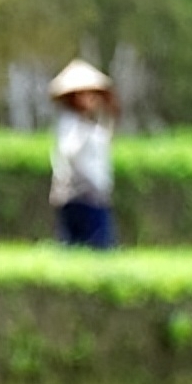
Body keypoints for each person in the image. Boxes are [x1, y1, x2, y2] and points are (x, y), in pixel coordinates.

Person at [48, 58, 118, 250]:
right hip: (79, 195)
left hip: (96, 195)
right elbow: (69, 153)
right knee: (88, 248)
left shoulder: (92, 125)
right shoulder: (70, 125)